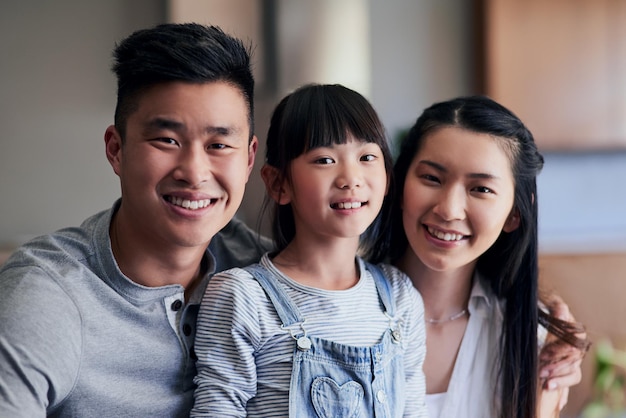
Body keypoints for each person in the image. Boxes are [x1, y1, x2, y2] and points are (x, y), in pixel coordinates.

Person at [0, 23, 271, 417]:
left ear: (248, 159)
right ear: (116, 149)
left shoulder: (268, 274)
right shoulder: (48, 290)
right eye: (167, 141)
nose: (194, 173)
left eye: (218, 145)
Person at [191, 84, 428, 417]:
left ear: (387, 176)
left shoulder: (400, 298)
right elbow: (217, 410)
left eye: (366, 157)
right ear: (278, 184)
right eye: (324, 159)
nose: (351, 177)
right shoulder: (244, 297)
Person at [379, 95, 590, 418]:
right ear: (399, 184)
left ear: (514, 214)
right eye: (431, 178)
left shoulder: (534, 340)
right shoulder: (339, 306)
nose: (448, 210)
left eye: (481, 189)